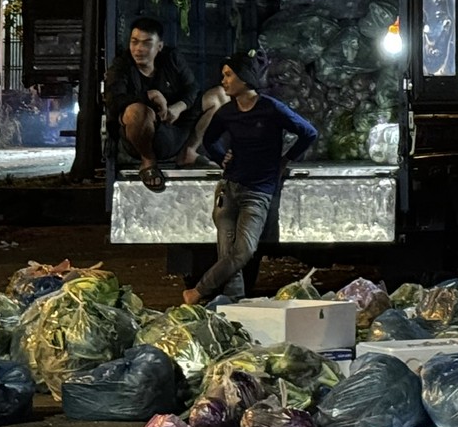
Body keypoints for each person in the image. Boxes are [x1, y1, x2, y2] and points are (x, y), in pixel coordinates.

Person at [182, 54, 318, 306]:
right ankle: (234, 304)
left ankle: (198, 291)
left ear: (245, 78)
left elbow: (308, 133)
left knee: (243, 252)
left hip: (257, 193)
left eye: (228, 75)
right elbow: (210, 140)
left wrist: (286, 160)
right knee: (228, 254)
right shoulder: (226, 112)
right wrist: (223, 158)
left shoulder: (270, 108)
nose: (223, 81)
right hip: (228, 191)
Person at [103, 17, 211, 191]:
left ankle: (189, 152)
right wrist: (149, 96)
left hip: (175, 128)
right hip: (142, 137)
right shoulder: (122, 65)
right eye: (134, 42)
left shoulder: (171, 58)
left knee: (218, 96)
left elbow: (192, 87)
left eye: (146, 43)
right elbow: (113, 101)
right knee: (135, 111)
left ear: (159, 46)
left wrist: (179, 106)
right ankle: (148, 162)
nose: (139, 49)